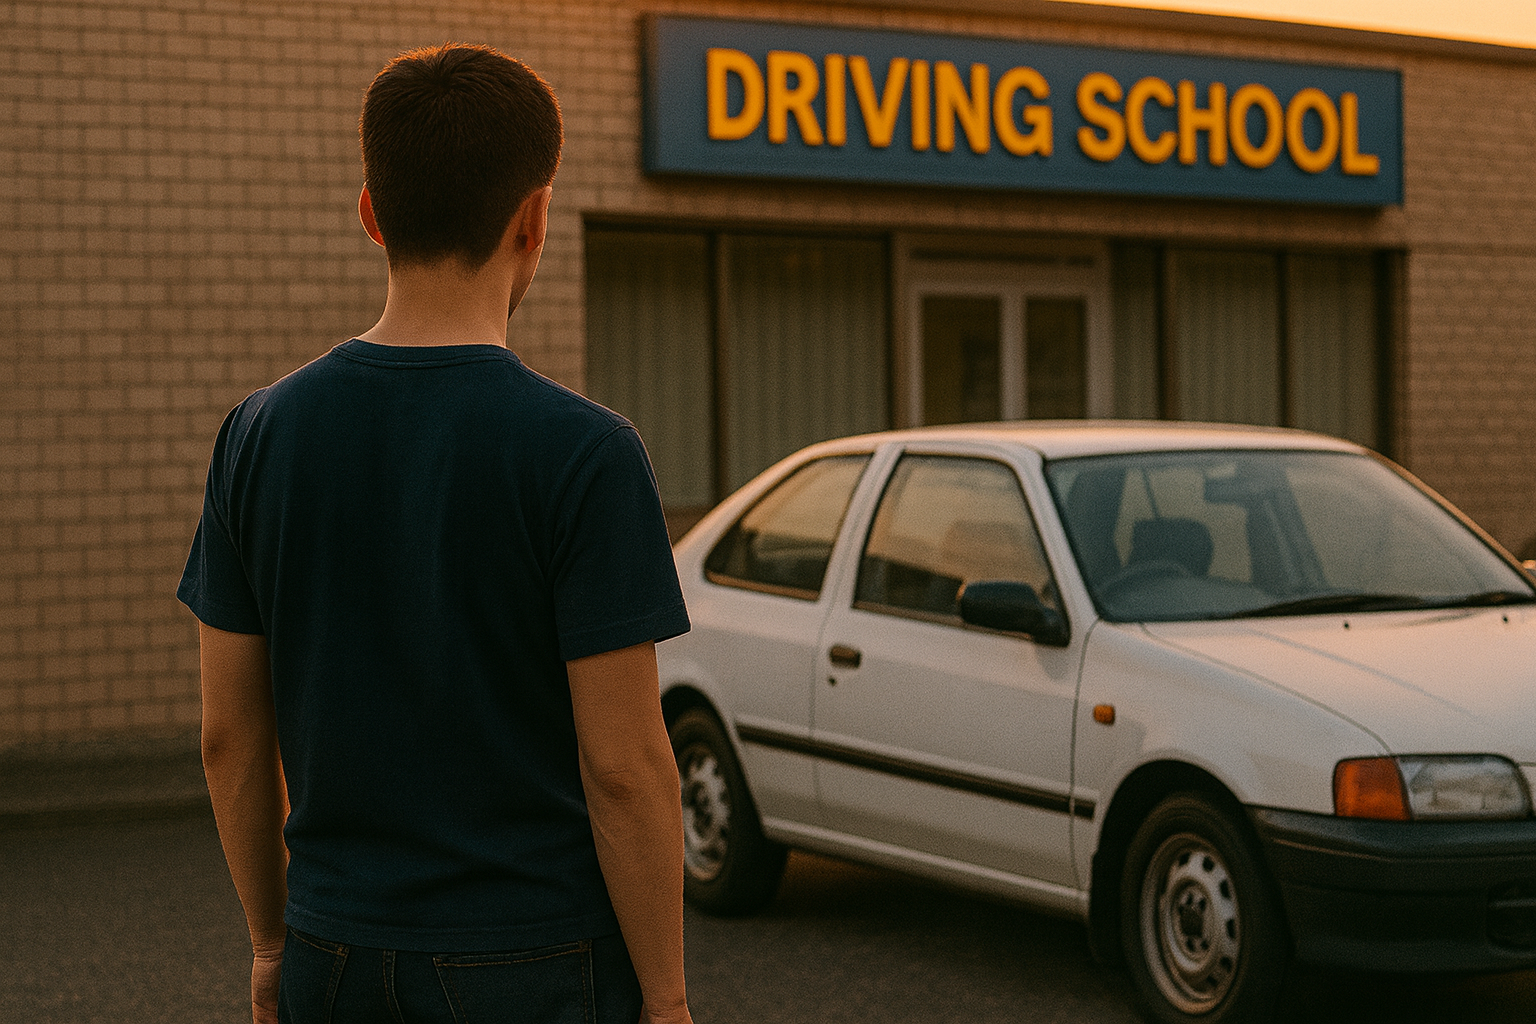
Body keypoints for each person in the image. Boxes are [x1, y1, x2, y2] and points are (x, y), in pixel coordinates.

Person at [178, 44, 693, 1024]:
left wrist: (270, 943)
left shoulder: (258, 434)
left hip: (331, 952)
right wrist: (665, 1000)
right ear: (535, 219)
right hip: (533, 961)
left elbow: (228, 735)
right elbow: (625, 767)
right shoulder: (586, 453)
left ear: (371, 212)